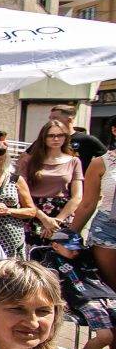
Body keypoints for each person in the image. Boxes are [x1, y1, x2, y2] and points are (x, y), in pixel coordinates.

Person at [36, 230, 116, 349]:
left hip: (108, 295)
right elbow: (52, 283)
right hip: (85, 300)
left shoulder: (85, 256)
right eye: (71, 249)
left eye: (78, 249)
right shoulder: (51, 260)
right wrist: (59, 300)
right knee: (105, 337)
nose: (75, 252)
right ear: (55, 246)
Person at [18, 119, 83, 247]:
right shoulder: (29, 161)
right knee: (33, 256)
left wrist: (57, 221)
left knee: (59, 256)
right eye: (51, 135)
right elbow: (21, 192)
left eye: (60, 135)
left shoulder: (74, 161)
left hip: (62, 214)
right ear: (43, 137)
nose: (56, 139)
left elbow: (77, 196)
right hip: (34, 212)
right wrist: (44, 219)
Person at [70, 117, 116, 289]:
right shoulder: (100, 163)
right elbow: (88, 203)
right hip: (107, 229)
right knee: (111, 288)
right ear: (114, 130)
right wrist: (70, 237)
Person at [51, 104, 106, 174]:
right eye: (50, 118)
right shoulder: (45, 140)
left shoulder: (86, 140)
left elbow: (108, 160)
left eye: (55, 118)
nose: (51, 122)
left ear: (69, 120)